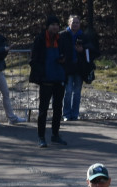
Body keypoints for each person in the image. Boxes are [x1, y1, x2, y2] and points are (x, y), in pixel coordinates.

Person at [29, 15, 67, 148]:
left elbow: (66, 54)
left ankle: (55, 135)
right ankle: (41, 137)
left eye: (57, 25)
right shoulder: (40, 39)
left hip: (59, 77)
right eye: (53, 25)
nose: (55, 27)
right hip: (46, 78)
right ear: (48, 26)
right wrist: (41, 74)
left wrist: (63, 60)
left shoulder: (61, 39)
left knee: (58, 109)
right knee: (43, 110)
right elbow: (34, 59)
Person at [59, 15, 88, 122]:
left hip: (79, 68)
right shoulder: (63, 35)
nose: (75, 24)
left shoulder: (83, 36)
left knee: (77, 93)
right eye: (73, 22)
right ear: (69, 23)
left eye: (77, 22)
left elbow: (90, 49)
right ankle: (66, 113)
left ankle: (75, 114)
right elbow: (59, 48)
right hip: (67, 67)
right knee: (68, 91)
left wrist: (83, 50)